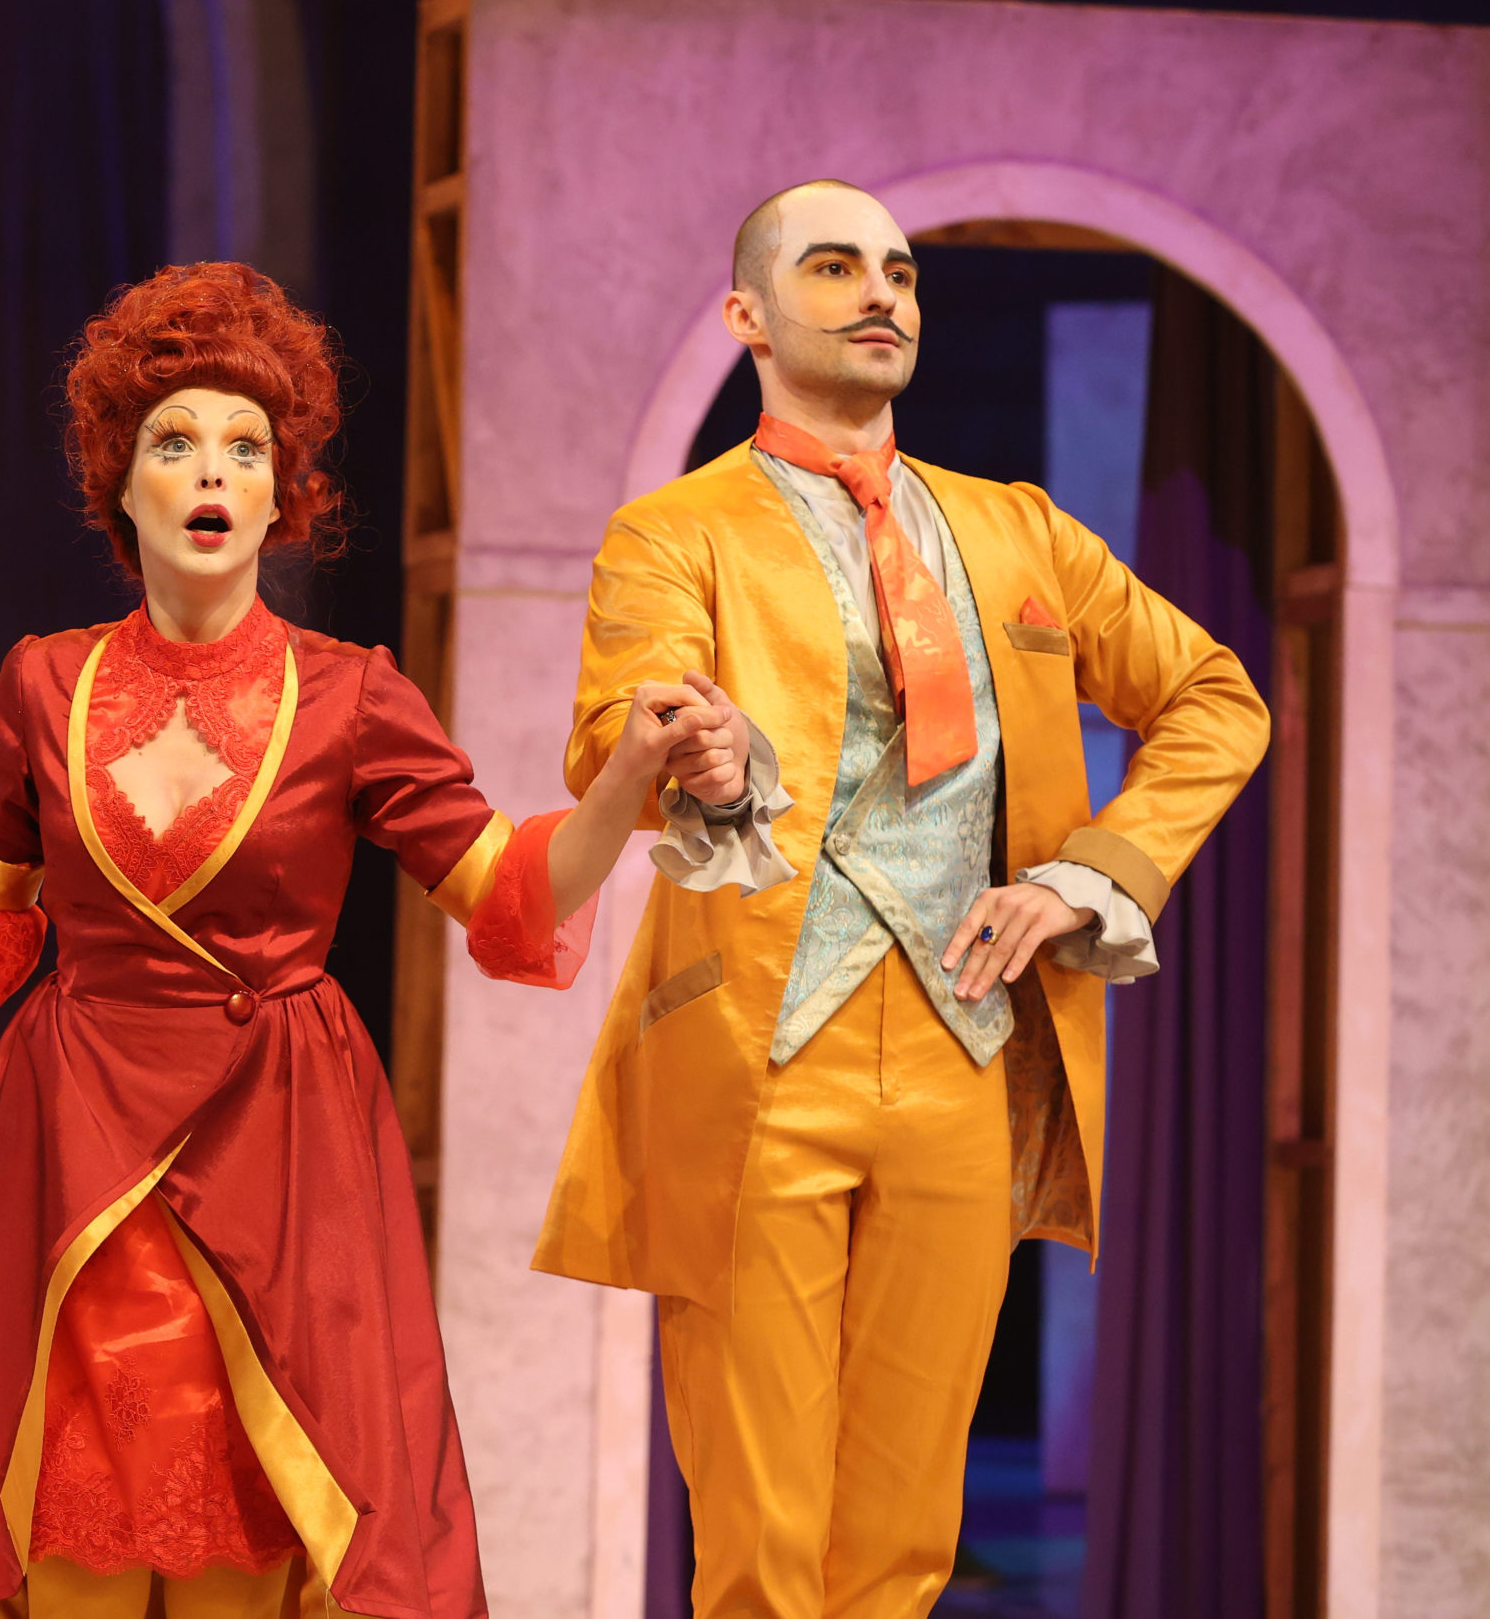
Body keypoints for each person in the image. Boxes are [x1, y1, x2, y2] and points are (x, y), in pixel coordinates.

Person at [0, 264, 710, 1619]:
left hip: (278, 1157)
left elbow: (510, 889)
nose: (213, 469)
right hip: (75, 1148)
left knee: (254, 1535)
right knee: (74, 1542)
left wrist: (627, 782)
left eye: (247, 447)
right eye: (175, 442)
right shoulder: (44, 684)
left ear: (285, 497)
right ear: (122, 485)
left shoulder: (352, 697)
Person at [533, 181, 1268, 1617]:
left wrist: (1084, 878)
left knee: (905, 1539)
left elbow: (1213, 698)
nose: (882, 293)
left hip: (965, 1054)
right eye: (834, 267)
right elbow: (627, 706)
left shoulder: (1017, 531)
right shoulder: (675, 532)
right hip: (759, 1051)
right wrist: (699, 751)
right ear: (748, 316)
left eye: (901, 272)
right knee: (761, 1540)